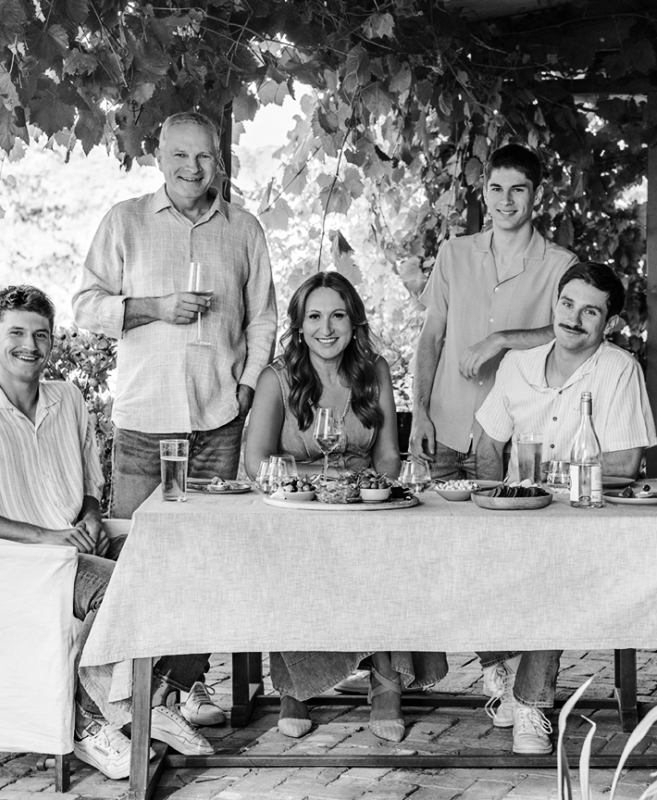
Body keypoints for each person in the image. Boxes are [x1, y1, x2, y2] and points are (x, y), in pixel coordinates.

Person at [0, 286, 219, 781]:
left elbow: (91, 486)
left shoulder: (67, 398)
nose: (30, 344)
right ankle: (88, 725)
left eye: (41, 334)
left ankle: (151, 702)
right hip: (23, 563)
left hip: (81, 542)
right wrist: (43, 538)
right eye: (17, 333)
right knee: (121, 586)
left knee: (192, 558)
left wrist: (90, 515)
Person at [410, 143, 578, 725]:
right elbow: (431, 337)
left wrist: (502, 337)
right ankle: (494, 666)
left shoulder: (559, 264)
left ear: (538, 196)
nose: (507, 201)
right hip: (450, 427)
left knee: (515, 560)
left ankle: (517, 678)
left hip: (517, 440)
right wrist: (419, 411)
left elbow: (571, 336)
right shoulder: (454, 255)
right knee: (453, 557)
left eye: (519, 190)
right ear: (485, 194)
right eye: (497, 189)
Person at [245, 271, 447, 743]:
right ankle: (296, 690)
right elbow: (256, 460)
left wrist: (365, 487)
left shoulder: (373, 369)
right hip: (299, 507)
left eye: (337, 315)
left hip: (364, 503)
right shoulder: (276, 376)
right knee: (293, 562)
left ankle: (385, 686)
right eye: (314, 316)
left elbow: (387, 456)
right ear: (299, 325)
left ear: (354, 321)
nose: (326, 327)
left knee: (390, 553)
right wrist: (315, 485)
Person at [475, 262, 657, 754]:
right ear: (555, 304)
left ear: (608, 322)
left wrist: (551, 480)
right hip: (517, 515)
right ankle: (503, 666)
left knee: (551, 571)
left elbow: (623, 464)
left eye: (590, 311)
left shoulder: (620, 369)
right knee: (458, 551)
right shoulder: (517, 364)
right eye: (568, 304)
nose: (575, 319)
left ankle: (531, 703)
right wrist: (491, 499)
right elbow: (489, 441)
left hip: (583, 522)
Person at [73, 111, 277, 519]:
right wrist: (155, 308)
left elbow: (263, 320)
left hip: (219, 419)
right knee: (137, 546)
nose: (192, 167)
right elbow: (84, 306)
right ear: (159, 157)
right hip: (144, 421)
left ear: (218, 161)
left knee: (212, 549)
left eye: (203, 156)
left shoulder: (245, 229)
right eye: (180, 154)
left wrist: (248, 388)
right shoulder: (124, 220)